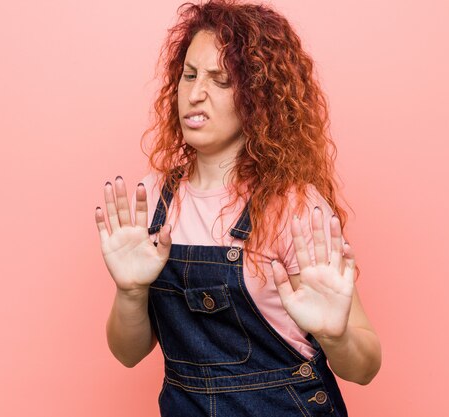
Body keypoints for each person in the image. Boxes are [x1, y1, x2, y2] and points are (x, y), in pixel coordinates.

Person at [94, 1, 381, 415]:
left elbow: (365, 366)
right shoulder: (151, 198)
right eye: (188, 76)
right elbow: (128, 353)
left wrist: (336, 337)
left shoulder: (292, 207)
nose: (195, 94)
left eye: (221, 80)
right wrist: (130, 291)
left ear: (258, 97)